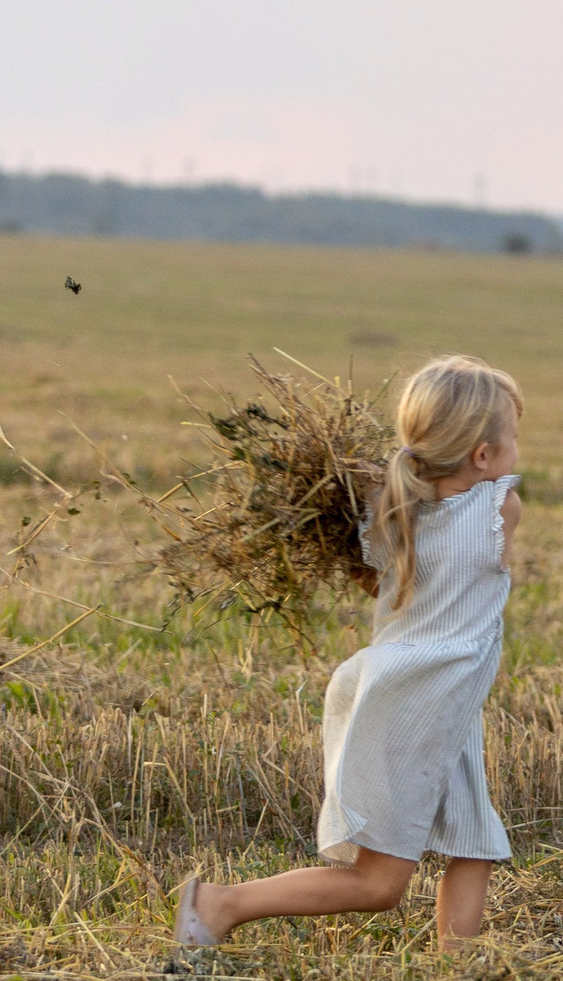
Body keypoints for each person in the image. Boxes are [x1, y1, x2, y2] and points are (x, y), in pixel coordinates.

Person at [178, 355, 524, 948]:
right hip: (415, 699)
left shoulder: (389, 510)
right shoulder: (498, 508)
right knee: (379, 884)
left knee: (472, 844)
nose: (518, 450)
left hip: (429, 698)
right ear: (483, 456)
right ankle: (220, 904)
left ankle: (463, 977)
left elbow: (382, 583)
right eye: (513, 437)